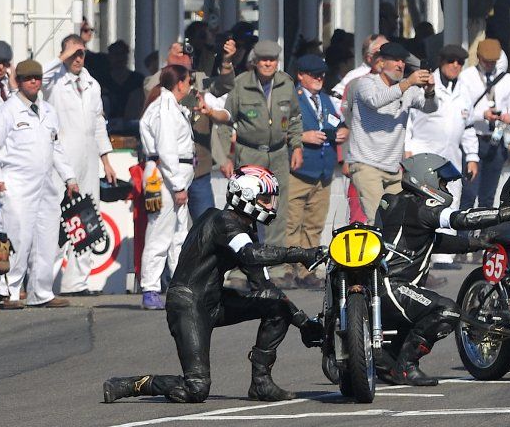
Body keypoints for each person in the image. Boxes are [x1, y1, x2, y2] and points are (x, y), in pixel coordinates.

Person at [102, 166, 325, 404]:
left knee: (275, 305)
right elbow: (251, 255)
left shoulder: (242, 228)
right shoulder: (223, 221)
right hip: (187, 304)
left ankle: (261, 383)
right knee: (196, 388)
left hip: (212, 300)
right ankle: (128, 384)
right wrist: (300, 253)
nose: (271, 206)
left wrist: (302, 322)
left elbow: (263, 285)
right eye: (265, 199)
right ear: (245, 197)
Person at [370, 154, 510, 386]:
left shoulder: (400, 204)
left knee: (424, 309)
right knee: (448, 311)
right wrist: (507, 214)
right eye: (442, 182)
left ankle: (387, 363)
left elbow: (430, 242)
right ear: (425, 179)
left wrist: (474, 243)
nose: (445, 187)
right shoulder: (420, 205)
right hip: (392, 286)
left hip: (382, 287)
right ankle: (406, 367)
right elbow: (462, 219)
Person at [0, 59, 80, 308]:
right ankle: (10, 290)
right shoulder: (7, 111)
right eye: (28, 78)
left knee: (46, 237)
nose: (34, 82)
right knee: (19, 237)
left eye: (37, 78)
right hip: (16, 183)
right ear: (18, 81)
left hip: (46, 183)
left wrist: (69, 177)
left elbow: (56, 147)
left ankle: (41, 291)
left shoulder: (48, 110)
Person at [46, 33, 115, 293]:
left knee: (87, 217)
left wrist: (106, 159)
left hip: (88, 157)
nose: (77, 59)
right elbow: (39, 77)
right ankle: (45, 280)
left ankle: (77, 280)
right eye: (72, 54)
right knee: (56, 218)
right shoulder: (53, 82)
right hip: (61, 156)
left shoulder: (92, 84)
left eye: (81, 53)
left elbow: (98, 123)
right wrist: (63, 56)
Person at [222, 40, 299, 249]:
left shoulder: (286, 83)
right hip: (249, 153)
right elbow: (226, 121)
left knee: (277, 208)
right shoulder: (240, 84)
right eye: (264, 60)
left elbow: (294, 118)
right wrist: (224, 157)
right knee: (244, 207)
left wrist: (297, 146)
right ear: (255, 62)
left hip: (278, 153)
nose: (268, 64)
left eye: (272, 60)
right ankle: (242, 260)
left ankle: (275, 264)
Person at [343, 45, 433, 220]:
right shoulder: (366, 83)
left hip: (393, 168)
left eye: (403, 61)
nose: (401, 65)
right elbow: (375, 101)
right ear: (381, 63)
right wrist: (407, 83)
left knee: (399, 219)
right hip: (366, 164)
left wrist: (430, 91)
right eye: (395, 60)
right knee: (378, 219)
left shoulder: (408, 89)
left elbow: (430, 108)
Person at [138, 67, 196, 309]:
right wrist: (178, 185)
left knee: (179, 233)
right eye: (188, 82)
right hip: (166, 177)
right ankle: (150, 287)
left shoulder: (171, 106)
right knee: (160, 232)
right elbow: (167, 150)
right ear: (180, 84)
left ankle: (178, 283)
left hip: (174, 176)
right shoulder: (165, 109)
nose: (190, 87)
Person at [285, 55, 342, 281]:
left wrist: (342, 131)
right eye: (314, 75)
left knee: (314, 224)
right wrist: (302, 136)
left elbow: (336, 122)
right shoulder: (292, 99)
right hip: (300, 169)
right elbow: (280, 130)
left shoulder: (325, 100)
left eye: (322, 75)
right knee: (292, 222)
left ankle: (306, 268)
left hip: (323, 170)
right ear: (301, 75)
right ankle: (289, 267)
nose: (319, 79)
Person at [408, 47, 480, 207]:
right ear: (441, 62)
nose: (455, 65)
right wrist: (407, 149)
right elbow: (408, 122)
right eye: (451, 61)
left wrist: (472, 157)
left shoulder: (464, 90)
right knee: (422, 207)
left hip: (451, 160)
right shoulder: (424, 85)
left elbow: (468, 127)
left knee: (451, 205)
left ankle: (447, 234)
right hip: (423, 157)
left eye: (460, 62)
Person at [455, 38, 510, 207]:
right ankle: (464, 233)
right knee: (469, 193)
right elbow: (460, 111)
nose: (490, 65)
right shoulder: (466, 77)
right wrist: (482, 115)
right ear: (478, 57)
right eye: (486, 61)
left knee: (488, 196)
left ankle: (486, 232)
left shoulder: (508, 80)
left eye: (493, 61)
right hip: (473, 139)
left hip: (497, 141)